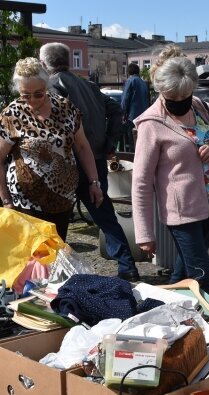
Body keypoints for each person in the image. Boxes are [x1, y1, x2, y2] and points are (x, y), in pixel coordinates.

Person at [132, 45, 209, 296]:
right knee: (201, 273)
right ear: (161, 91)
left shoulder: (203, 108)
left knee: (183, 270)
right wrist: (144, 233)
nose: (180, 102)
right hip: (181, 213)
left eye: (185, 96)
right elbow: (141, 182)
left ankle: (163, 308)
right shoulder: (151, 123)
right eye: (173, 98)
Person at [40, 42, 141, 281]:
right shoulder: (89, 85)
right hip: (94, 157)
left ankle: (54, 272)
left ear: (45, 64)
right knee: (105, 214)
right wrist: (108, 142)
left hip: (68, 161)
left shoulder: (51, 86)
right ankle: (127, 265)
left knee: (57, 218)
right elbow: (116, 110)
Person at [0, 57, 102, 242]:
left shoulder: (65, 108)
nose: (32, 100)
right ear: (18, 90)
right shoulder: (11, 114)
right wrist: (6, 201)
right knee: (33, 258)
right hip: (25, 201)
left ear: (47, 86)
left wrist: (94, 182)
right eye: (26, 95)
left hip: (62, 200)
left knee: (56, 253)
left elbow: (82, 146)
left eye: (39, 94)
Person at [121, 62, 150, 151]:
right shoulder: (143, 83)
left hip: (132, 116)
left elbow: (125, 98)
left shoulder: (130, 81)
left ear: (129, 72)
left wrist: (122, 112)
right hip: (144, 116)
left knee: (131, 141)